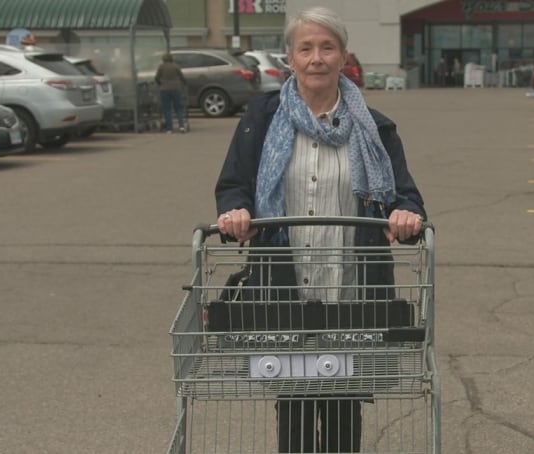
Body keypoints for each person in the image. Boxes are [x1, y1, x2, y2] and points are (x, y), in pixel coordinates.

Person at [214, 6, 426, 453]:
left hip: (352, 290)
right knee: (292, 401)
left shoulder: (374, 128)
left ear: (343, 57)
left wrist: (405, 214)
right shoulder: (262, 117)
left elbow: (404, 195)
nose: (316, 58)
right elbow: (235, 184)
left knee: (345, 401)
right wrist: (235, 211)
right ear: (290, 58)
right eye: (305, 48)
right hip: (282, 289)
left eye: (327, 48)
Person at [155, 53, 187, 133]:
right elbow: (181, 76)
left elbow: (157, 77)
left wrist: (160, 84)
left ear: (163, 59)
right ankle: (181, 127)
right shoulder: (176, 66)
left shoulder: (161, 67)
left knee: (167, 109)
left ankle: (169, 128)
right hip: (176, 88)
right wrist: (184, 84)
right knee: (178, 109)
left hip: (164, 89)